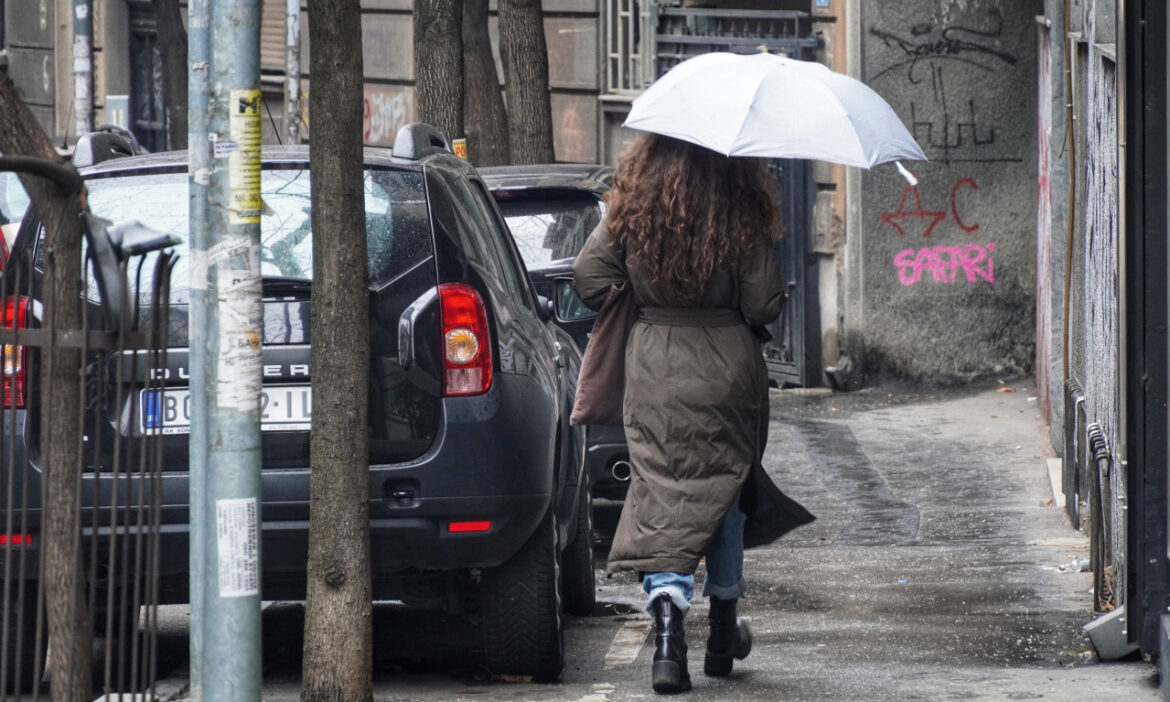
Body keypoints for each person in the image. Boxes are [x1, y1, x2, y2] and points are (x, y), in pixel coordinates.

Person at [573, 133, 785, 694]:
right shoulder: (744, 209)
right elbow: (763, 304)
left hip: (655, 366)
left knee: (661, 490)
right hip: (727, 370)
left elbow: (588, 278)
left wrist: (644, 301)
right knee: (724, 490)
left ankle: (667, 632)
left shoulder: (635, 204)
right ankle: (721, 630)